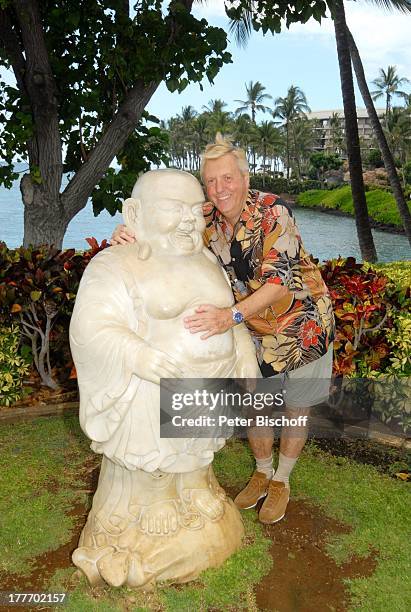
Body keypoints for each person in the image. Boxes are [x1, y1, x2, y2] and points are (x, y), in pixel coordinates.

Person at [111, 134, 335, 525]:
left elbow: (278, 282)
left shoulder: (273, 212)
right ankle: (262, 470)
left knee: (297, 408)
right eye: (211, 182)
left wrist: (227, 317)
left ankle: (281, 480)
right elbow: (166, 238)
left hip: (302, 325)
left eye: (227, 178)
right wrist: (128, 234)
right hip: (253, 327)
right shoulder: (207, 221)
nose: (219, 189)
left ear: (244, 177)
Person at [69, 168, 259, 587]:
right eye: (175, 208)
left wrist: (243, 351)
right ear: (135, 214)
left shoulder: (207, 258)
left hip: (210, 384)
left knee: (197, 447)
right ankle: (154, 497)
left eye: (197, 209)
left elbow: (230, 316)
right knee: (153, 438)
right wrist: (136, 354)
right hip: (154, 388)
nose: (191, 219)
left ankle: (193, 485)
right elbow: (91, 327)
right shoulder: (117, 263)